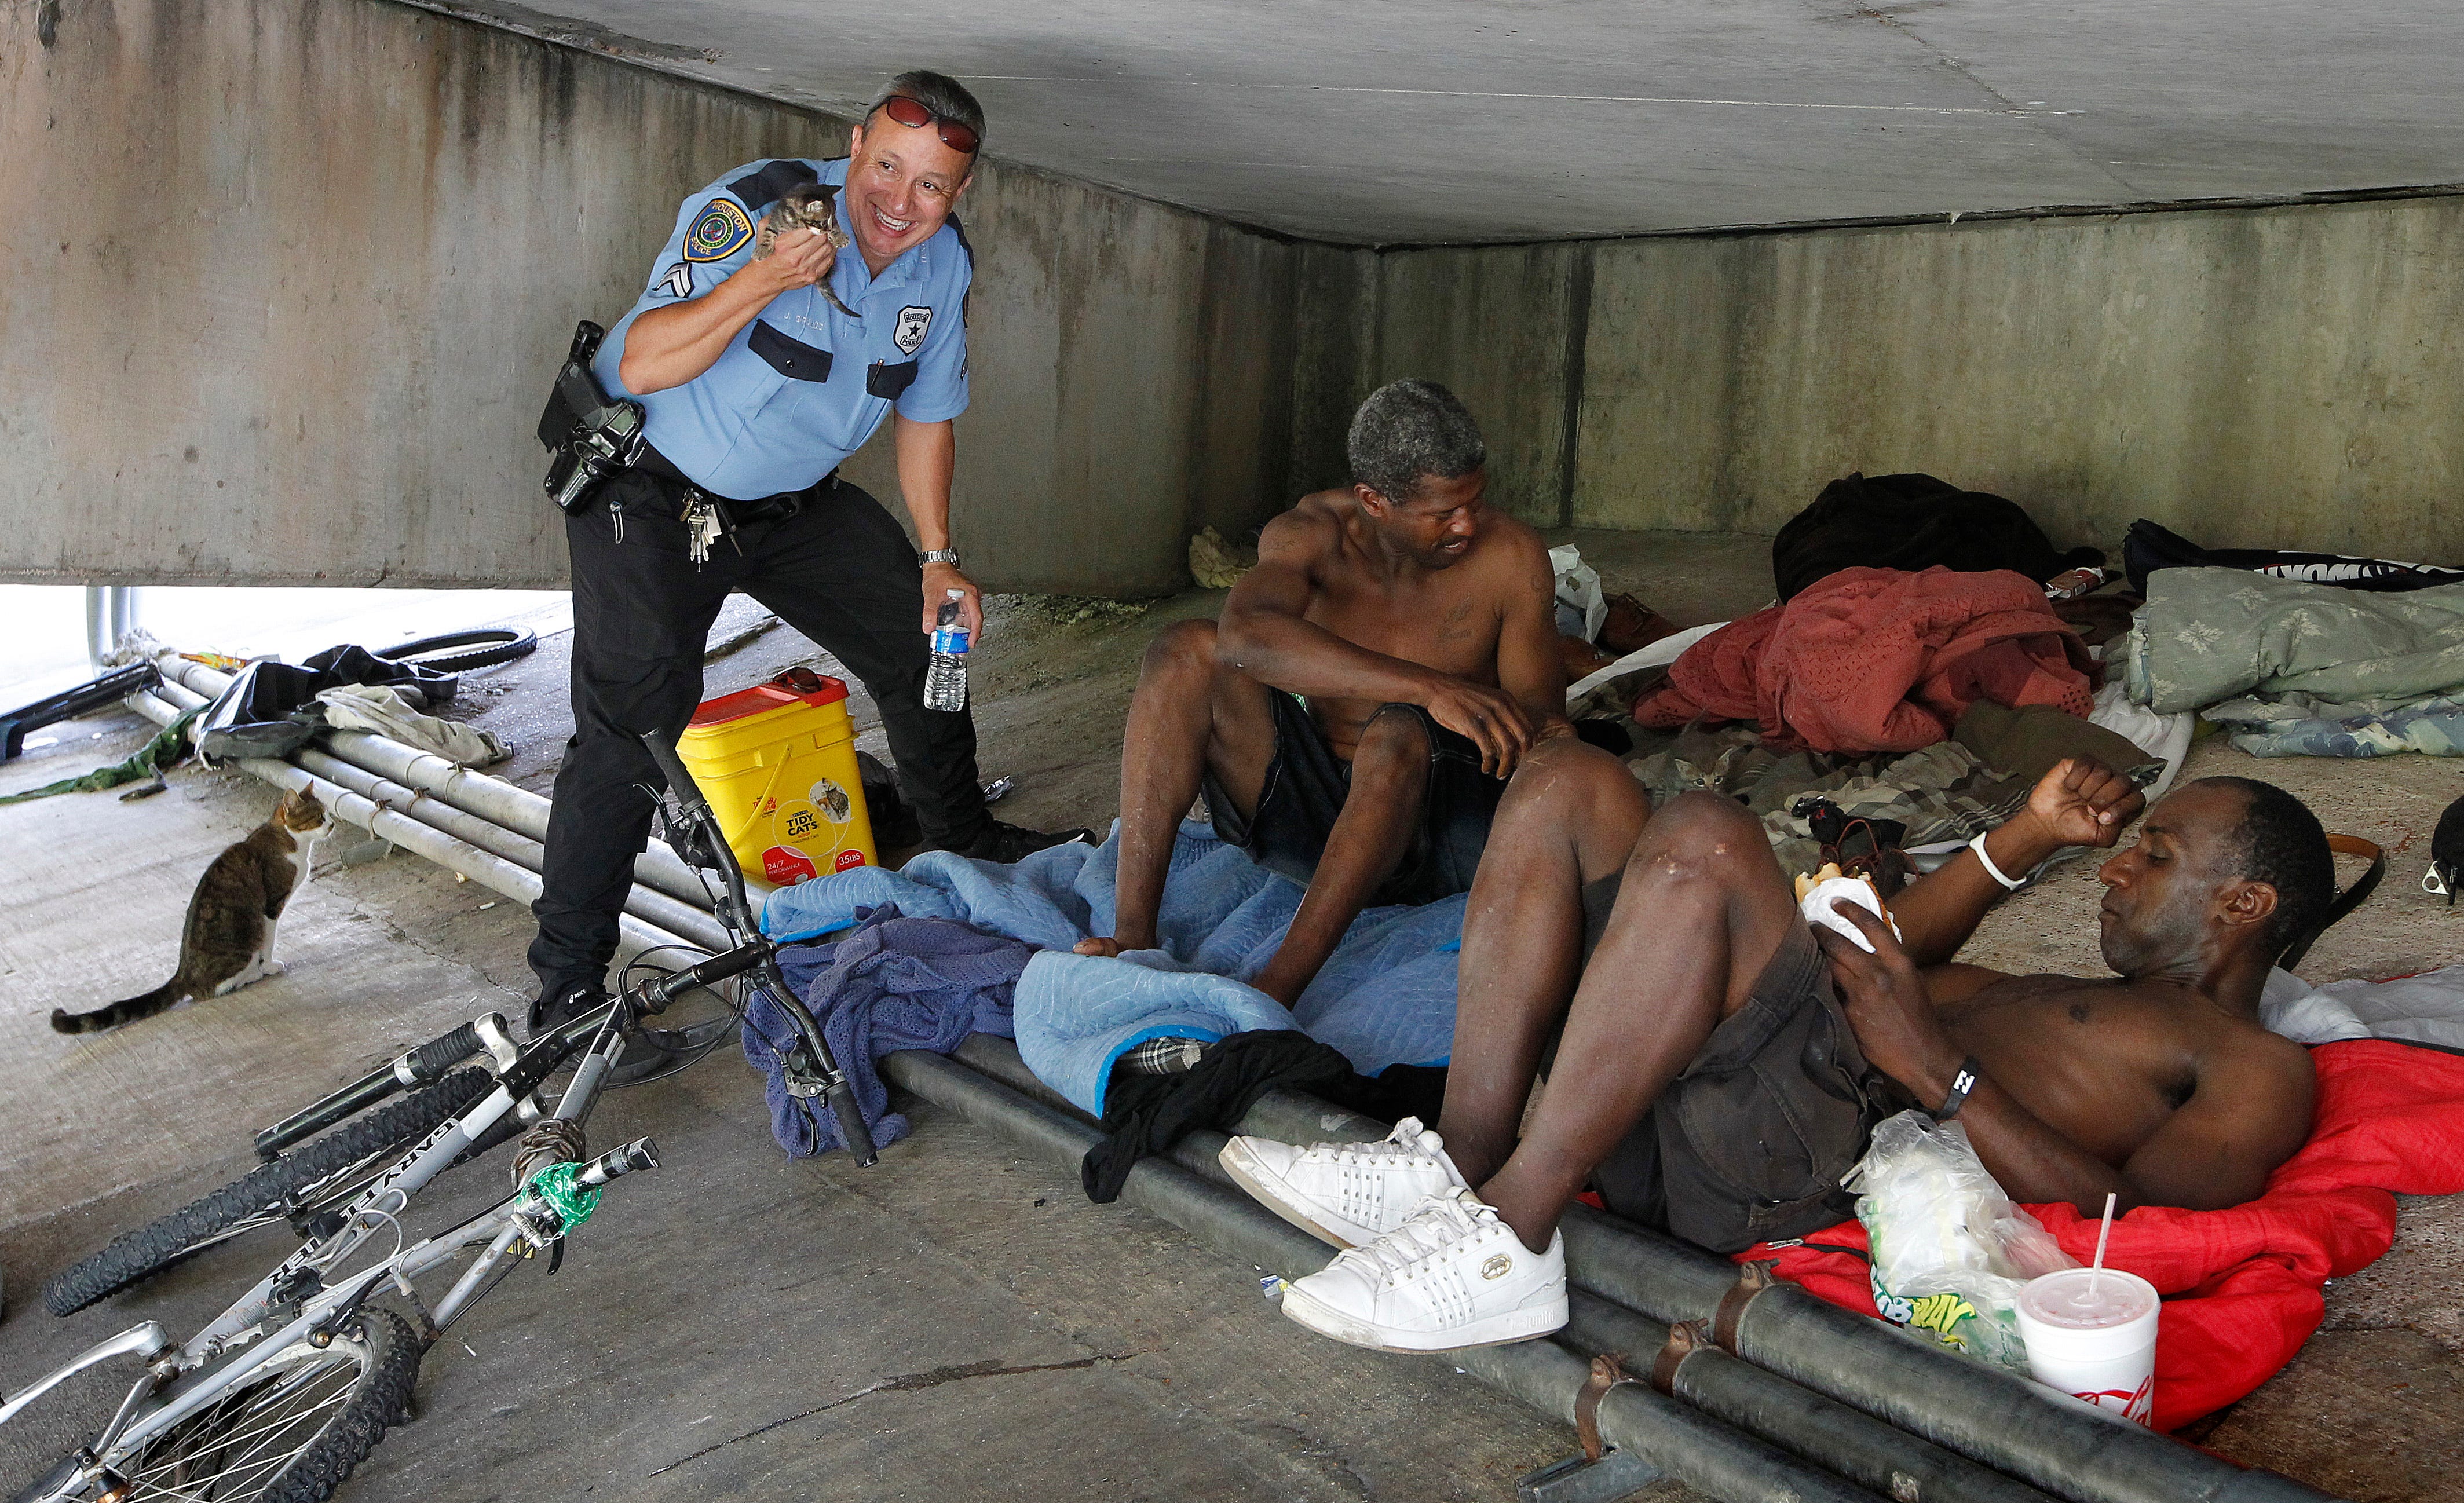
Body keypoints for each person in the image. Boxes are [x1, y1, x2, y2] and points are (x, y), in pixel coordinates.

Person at [1223, 741, 2331, 1353]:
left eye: (2155, 855)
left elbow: (2139, 1230)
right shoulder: (2046, 995)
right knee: (1567, 778)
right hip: (1725, 1101)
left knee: (1707, 832)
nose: (2116, 870)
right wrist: (2023, 835)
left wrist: (1933, 1073)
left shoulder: (2254, 1065)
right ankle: (1462, 1159)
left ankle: (1507, 1243)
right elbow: (1868, 947)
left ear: (2241, 902)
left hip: (1801, 1167)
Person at [527, 71, 1081, 1036]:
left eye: (931, 186)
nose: (899, 201)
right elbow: (645, 362)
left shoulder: (941, 265)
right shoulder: (759, 209)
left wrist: (939, 556)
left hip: (789, 506)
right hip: (651, 491)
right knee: (631, 728)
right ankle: (567, 983)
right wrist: (763, 280)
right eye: (887, 167)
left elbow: (925, 413)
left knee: (921, 639)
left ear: (957, 196)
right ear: (854, 144)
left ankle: (959, 838)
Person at [1072, 381, 1566, 1008]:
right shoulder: (1312, 533)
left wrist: (1466, 718)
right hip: (1313, 820)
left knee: (1398, 731)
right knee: (1185, 650)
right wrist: (1427, 685)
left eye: (1474, 501)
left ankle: (1275, 991)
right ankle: (1133, 935)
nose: (1466, 524)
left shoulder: (1512, 557)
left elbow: (1549, 727)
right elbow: (1245, 638)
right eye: (1443, 513)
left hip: (1436, 835)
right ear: (1373, 501)